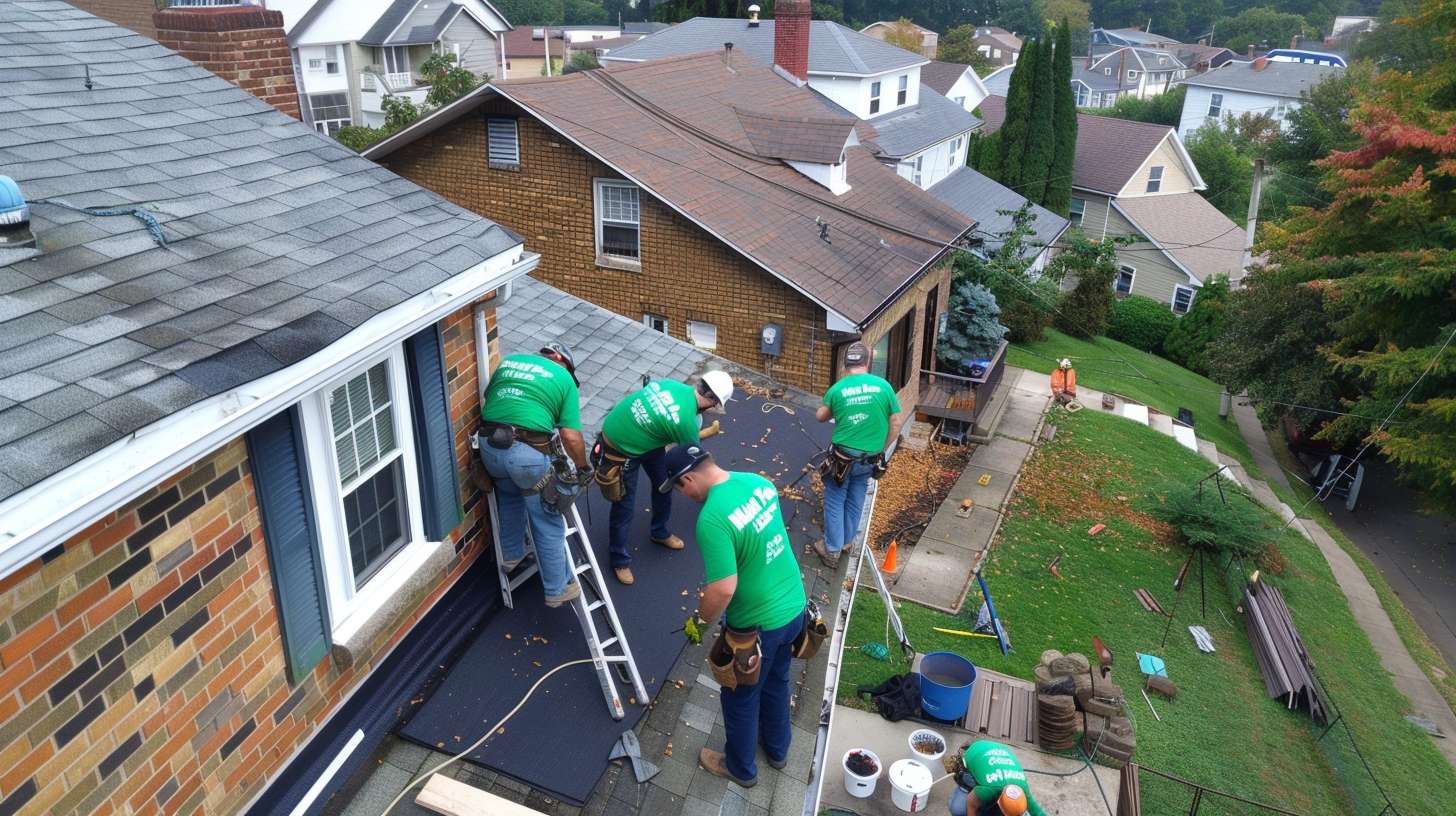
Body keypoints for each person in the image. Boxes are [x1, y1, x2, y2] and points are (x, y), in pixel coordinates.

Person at [658, 445, 806, 788]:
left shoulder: (712, 518)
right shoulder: (758, 483)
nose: (685, 496)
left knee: (740, 695)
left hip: (758, 625)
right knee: (777, 680)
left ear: (688, 479)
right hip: (794, 606)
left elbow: (723, 588)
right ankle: (778, 750)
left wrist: (700, 623)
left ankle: (741, 768)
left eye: (680, 489)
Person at [595, 371, 735, 585]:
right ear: (712, 399)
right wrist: (720, 486)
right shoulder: (686, 422)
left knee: (664, 484)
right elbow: (697, 460)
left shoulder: (672, 385)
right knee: (624, 505)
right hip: (621, 447)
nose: (713, 407)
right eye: (715, 404)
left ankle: (659, 532)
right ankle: (619, 560)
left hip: (649, 439)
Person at [478, 343, 590, 607]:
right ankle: (557, 589)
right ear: (561, 360)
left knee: (509, 496)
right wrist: (583, 467)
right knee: (547, 519)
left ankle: (512, 554)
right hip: (526, 456)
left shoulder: (509, 361)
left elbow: (491, 397)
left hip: (489, 448)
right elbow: (570, 436)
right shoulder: (564, 378)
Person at [813, 341, 904, 567]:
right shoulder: (884, 387)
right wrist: (882, 450)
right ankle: (846, 542)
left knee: (835, 499)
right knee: (856, 498)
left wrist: (833, 406)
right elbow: (896, 422)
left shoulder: (838, 389)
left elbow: (820, 417)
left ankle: (831, 549)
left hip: (842, 459)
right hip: (869, 459)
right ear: (867, 361)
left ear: (845, 364)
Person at [949, 739, 1047, 816]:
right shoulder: (988, 789)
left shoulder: (1023, 789)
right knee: (959, 809)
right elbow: (971, 804)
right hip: (974, 751)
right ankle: (966, 786)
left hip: (1001, 750)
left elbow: (1038, 813)